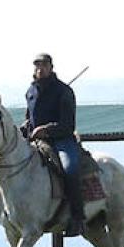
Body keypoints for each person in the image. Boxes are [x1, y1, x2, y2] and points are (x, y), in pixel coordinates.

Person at [21, 53, 83, 188]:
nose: (40, 69)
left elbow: (68, 125)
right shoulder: (30, 92)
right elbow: (29, 118)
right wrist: (24, 128)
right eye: (37, 65)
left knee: (69, 168)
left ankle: (75, 202)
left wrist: (46, 130)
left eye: (44, 65)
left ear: (51, 67)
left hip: (62, 141)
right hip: (36, 141)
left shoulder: (64, 91)